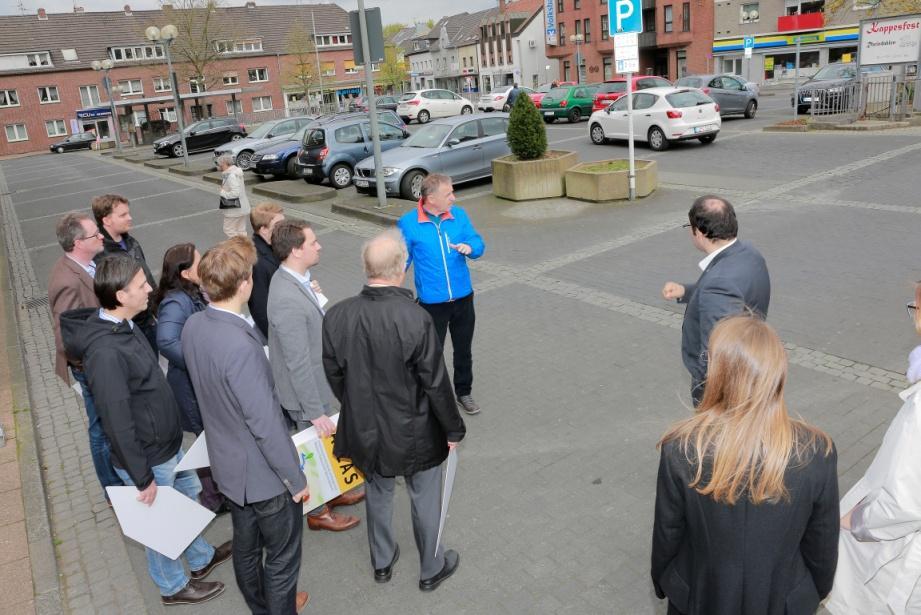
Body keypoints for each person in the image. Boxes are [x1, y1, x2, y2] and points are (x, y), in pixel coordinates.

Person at [60, 255, 231, 606]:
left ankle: (198, 558)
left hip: (165, 445)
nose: (149, 288)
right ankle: (172, 586)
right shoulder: (105, 352)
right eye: (141, 285)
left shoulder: (125, 324)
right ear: (121, 295)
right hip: (148, 459)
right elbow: (116, 420)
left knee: (188, 496)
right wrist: (141, 478)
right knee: (160, 524)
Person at [651, 315, 838, 615]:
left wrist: (664, 580)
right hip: (782, 599)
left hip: (700, 595)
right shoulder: (816, 451)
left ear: (717, 371)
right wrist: (814, 590)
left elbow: (667, 532)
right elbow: (822, 543)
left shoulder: (682, 448)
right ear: (778, 372)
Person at [322, 230, 466, 592]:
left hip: (366, 428)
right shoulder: (415, 318)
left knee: (378, 492)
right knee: (424, 498)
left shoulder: (337, 315)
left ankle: (382, 562)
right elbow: (435, 382)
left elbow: (335, 375)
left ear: (366, 268)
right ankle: (431, 568)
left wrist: (357, 403)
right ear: (402, 269)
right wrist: (453, 429)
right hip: (414, 430)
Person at [182, 239, 311, 615]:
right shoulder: (239, 344)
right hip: (264, 476)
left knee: (246, 548)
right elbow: (265, 423)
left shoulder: (194, 325)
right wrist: (295, 479)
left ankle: (262, 609)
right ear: (244, 285)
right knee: (283, 560)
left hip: (227, 467)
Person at [826, 283, 921, 613]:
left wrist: (857, 518)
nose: (913, 318)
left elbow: (904, 505)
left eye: (916, 308)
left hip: (896, 563)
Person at [267, 219, 363, 532]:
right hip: (307, 395)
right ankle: (318, 512)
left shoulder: (298, 280)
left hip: (317, 386)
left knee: (326, 447)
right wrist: (314, 411)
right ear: (295, 251)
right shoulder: (286, 298)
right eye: (313, 242)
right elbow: (297, 362)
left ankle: (333, 493)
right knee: (311, 452)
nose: (319, 246)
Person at [661, 195, 770, 405]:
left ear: (699, 233)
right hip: (750, 359)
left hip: (720, 390)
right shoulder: (749, 254)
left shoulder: (719, 283)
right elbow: (730, 290)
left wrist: (704, 393)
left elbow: (714, 354)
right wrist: (685, 290)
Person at [397, 173, 485, 415]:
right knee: (430, 355)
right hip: (431, 304)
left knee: (463, 350)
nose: (453, 198)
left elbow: (478, 242)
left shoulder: (459, 216)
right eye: (448, 194)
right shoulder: (408, 222)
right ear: (431, 198)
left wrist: (471, 248)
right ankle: (434, 398)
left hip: (463, 298)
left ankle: (463, 392)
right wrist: (389, 286)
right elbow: (402, 259)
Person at [47, 213, 122, 499]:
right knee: (100, 429)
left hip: (100, 359)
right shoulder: (66, 280)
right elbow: (66, 336)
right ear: (78, 243)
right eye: (95, 235)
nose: (102, 236)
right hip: (90, 366)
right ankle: (113, 491)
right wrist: (89, 366)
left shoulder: (88, 264)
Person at [153, 243, 225, 513]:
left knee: (211, 439)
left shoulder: (190, 293)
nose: (203, 265)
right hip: (190, 387)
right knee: (208, 441)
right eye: (197, 262)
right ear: (184, 273)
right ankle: (211, 499)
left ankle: (216, 495)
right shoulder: (176, 301)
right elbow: (167, 341)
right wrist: (199, 360)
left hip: (196, 384)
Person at [91, 194, 158, 353]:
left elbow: (146, 275)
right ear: (106, 220)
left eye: (128, 213)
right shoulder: (101, 256)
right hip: (130, 328)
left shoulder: (131, 241)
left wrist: (156, 307)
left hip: (148, 320)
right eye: (123, 215)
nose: (130, 217)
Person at [249, 202, 285, 338]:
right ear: (264, 230)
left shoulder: (274, 245)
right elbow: (259, 309)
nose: (284, 228)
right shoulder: (257, 261)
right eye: (279, 225)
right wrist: (276, 340)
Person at [217, 154, 251, 239]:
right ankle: (245, 247)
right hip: (242, 207)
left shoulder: (231, 175)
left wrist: (222, 192)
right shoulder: (237, 173)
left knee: (228, 229)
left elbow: (235, 193)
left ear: (224, 163)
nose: (219, 166)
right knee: (241, 230)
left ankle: (237, 247)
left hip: (234, 209)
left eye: (220, 164)